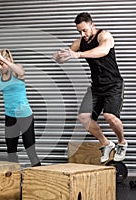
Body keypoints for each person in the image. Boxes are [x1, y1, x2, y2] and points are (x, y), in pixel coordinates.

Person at [53, 12, 128, 163]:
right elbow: (63, 56)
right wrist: (59, 56)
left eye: (85, 30)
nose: (83, 34)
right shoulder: (80, 42)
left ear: (92, 25)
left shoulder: (104, 35)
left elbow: (103, 50)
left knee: (110, 116)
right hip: (96, 87)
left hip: (113, 84)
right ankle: (106, 144)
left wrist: (78, 55)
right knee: (84, 117)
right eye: (79, 31)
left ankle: (122, 142)